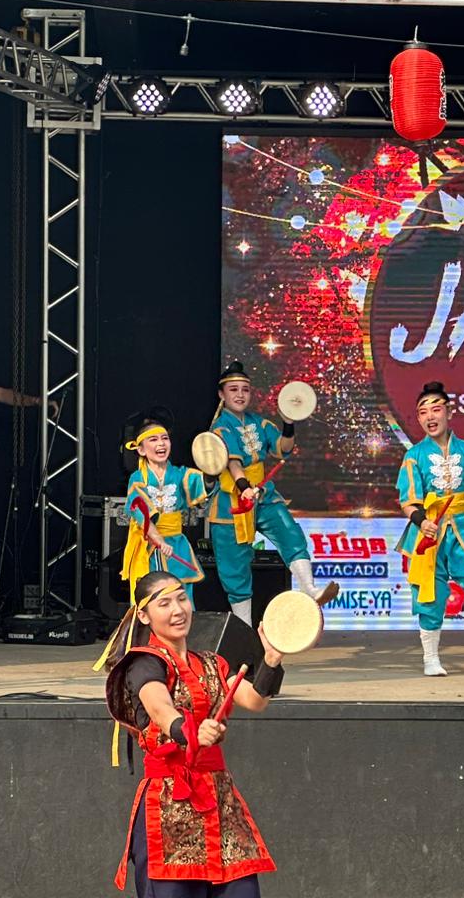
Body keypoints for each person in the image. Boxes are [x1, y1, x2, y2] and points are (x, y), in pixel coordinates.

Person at [104, 571, 285, 896]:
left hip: (220, 804)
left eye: (181, 599)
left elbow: (255, 700)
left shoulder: (213, 663)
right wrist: (188, 730)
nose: (177, 610)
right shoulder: (144, 664)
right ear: (144, 614)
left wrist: (271, 659)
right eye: (164, 603)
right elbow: (160, 708)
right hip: (170, 807)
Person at [208, 362, 327, 625]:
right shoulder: (220, 428)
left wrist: (288, 423)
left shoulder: (258, 422)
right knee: (235, 567)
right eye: (233, 389)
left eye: (245, 390)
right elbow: (234, 464)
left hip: (263, 494)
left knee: (289, 532)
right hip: (231, 501)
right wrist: (244, 488)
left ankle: (310, 589)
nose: (240, 395)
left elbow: (282, 448)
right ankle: (245, 629)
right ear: (222, 394)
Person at [397, 381, 464, 678]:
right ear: (418, 419)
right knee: (430, 596)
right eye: (423, 412)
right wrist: (422, 522)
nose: (430, 416)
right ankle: (430, 659)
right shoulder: (414, 456)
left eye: (436, 409)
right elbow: (408, 500)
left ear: (449, 412)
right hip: (429, 534)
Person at [121, 413, 208, 603]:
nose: (161, 444)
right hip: (151, 547)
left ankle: (183, 631)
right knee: (155, 596)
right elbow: (143, 515)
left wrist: (213, 464)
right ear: (141, 449)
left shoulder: (180, 474)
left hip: (177, 545)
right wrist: (159, 541)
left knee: (182, 593)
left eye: (165, 438)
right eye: (153, 439)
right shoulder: (137, 480)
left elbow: (204, 483)